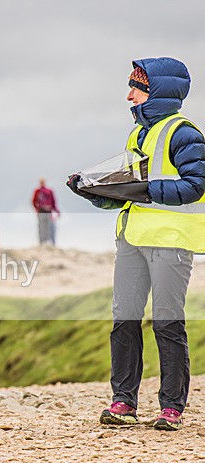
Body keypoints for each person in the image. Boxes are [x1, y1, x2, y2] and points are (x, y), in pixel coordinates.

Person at [68, 58, 205, 431]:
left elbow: (196, 185)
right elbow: (129, 189)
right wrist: (93, 191)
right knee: (124, 320)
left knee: (167, 322)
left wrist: (145, 190)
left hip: (170, 241)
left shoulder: (184, 134)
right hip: (131, 237)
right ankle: (123, 402)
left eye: (137, 89)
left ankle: (171, 408)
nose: (130, 96)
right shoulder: (137, 135)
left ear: (158, 93)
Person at [32, 177, 59, 246]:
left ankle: (51, 243)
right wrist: (37, 209)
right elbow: (34, 201)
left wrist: (57, 210)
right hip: (41, 212)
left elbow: (53, 202)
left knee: (50, 228)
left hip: (49, 212)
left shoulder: (49, 191)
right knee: (41, 228)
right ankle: (42, 243)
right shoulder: (37, 191)